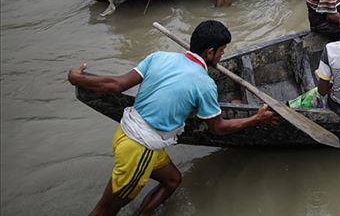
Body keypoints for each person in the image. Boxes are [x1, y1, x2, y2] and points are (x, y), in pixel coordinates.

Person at [66, 20, 276, 215]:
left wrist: (79, 78)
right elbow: (218, 128)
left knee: (172, 180)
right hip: (141, 148)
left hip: (126, 133)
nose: (222, 56)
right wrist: (256, 119)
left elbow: (117, 84)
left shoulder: (158, 57)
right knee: (103, 212)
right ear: (209, 52)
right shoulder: (204, 83)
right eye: (221, 52)